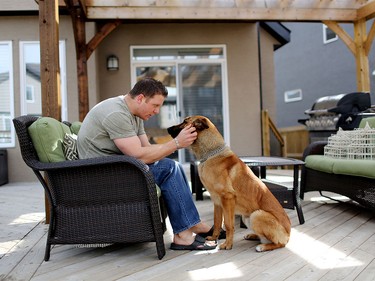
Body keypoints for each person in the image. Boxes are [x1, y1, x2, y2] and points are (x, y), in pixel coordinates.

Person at [77, 77, 223, 250]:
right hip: (101, 174)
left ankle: (191, 225)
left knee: (171, 166)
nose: (156, 111)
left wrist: (173, 146)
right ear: (140, 98)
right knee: (169, 168)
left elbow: (147, 150)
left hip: (118, 166)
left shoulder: (134, 113)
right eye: (155, 105)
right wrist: (176, 143)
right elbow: (139, 156)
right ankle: (185, 233)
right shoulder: (116, 113)